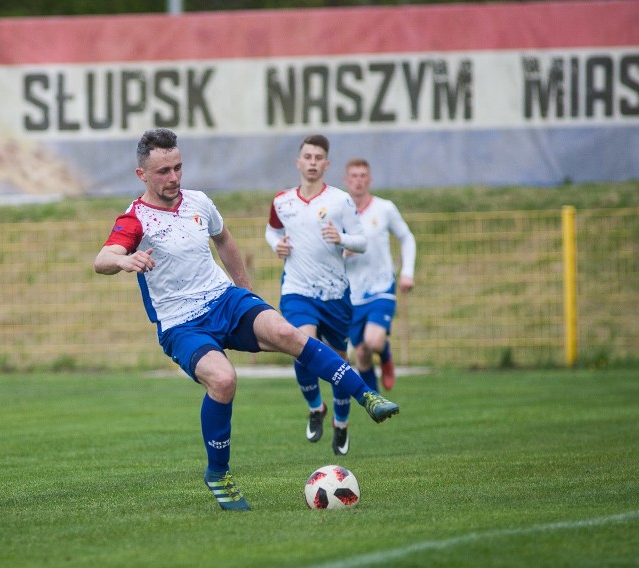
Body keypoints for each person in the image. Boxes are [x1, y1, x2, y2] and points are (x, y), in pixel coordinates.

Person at [94, 128, 399, 512]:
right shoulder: (135, 219)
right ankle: (218, 473)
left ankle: (365, 395)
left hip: (225, 300)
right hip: (181, 323)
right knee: (223, 380)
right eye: (163, 172)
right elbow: (101, 259)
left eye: (178, 167)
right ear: (142, 175)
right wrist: (124, 259)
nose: (173, 178)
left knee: (286, 331)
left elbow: (224, 240)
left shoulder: (199, 203)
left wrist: (247, 293)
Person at [264, 134, 372, 457]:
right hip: (297, 290)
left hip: (336, 293)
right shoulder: (282, 201)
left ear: (326, 164)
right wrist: (276, 245)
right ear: (298, 162)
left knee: (338, 362)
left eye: (318, 158)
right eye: (307, 157)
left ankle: (341, 423)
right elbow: (272, 230)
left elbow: (362, 240)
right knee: (302, 348)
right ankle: (315, 407)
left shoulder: (340, 201)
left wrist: (342, 239)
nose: (312, 162)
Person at [343, 158, 416, 392]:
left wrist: (407, 273)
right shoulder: (339, 212)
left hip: (381, 286)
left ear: (369, 180)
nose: (358, 180)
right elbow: (327, 248)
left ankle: (385, 354)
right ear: (346, 180)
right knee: (361, 352)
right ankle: (375, 400)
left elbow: (406, 237)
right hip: (352, 292)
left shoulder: (384, 208)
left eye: (363, 175)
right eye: (353, 176)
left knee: (373, 341)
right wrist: (342, 253)